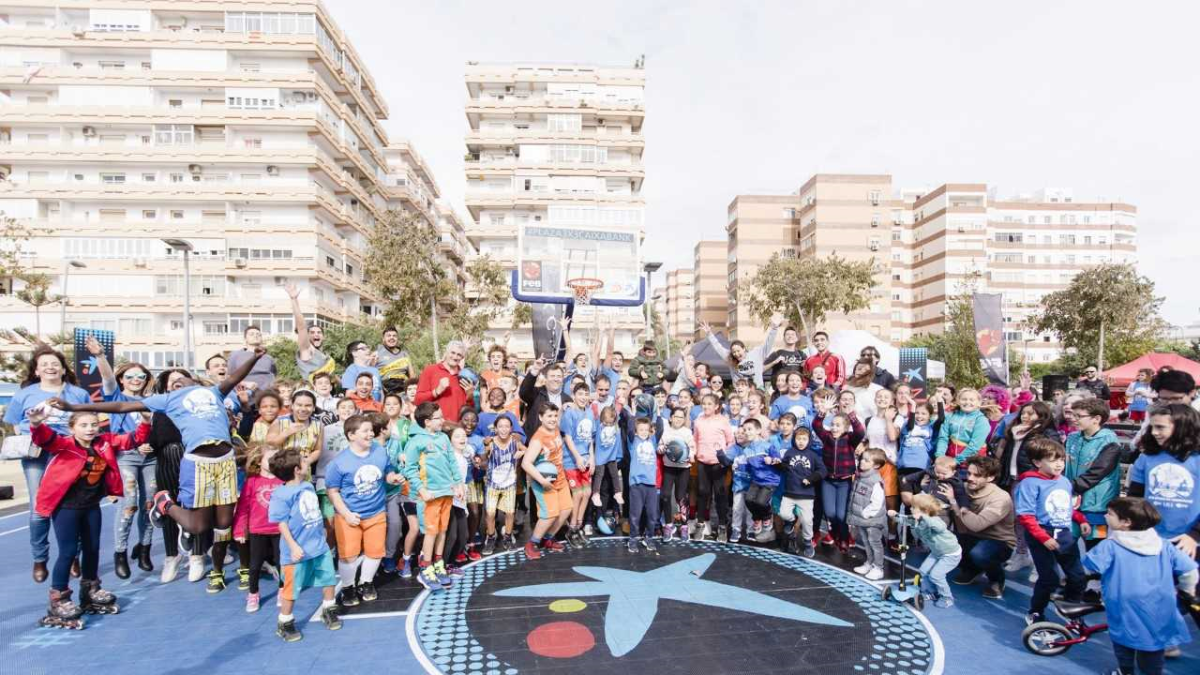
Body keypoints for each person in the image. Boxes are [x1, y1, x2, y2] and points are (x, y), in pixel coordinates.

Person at [51, 349, 268, 545]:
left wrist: (255, 357)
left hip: (225, 460)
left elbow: (235, 376)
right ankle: (165, 503)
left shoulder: (214, 391)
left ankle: (206, 541)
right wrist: (73, 407)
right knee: (198, 526)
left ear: (195, 381)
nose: (178, 381)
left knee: (224, 522)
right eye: (173, 382)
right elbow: (122, 405)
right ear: (170, 388)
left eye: (182, 378)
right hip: (199, 463)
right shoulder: (166, 400)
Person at [29, 405, 150, 628]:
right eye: (83, 425)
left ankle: (90, 589)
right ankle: (58, 598)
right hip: (66, 507)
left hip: (91, 505)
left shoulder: (104, 442)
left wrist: (145, 421)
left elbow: (133, 440)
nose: (89, 429)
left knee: (92, 548)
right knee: (68, 551)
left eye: (93, 425)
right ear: (72, 428)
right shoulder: (64, 444)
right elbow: (44, 439)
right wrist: (36, 423)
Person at [4, 347, 94, 582]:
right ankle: (40, 558)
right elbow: (14, 423)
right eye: (44, 364)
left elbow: (89, 420)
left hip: (68, 454)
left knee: (72, 506)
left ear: (63, 369)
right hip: (37, 455)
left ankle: (72, 555)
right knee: (39, 509)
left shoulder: (78, 394)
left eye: (55, 363)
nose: (50, 367)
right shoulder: (24, 394)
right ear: (36, 370)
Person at [1083, 497, 1197, 675]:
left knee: (1123, 643)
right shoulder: (1164, 545)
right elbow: (1189, 571)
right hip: (1159, 606)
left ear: (1126, 522)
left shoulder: (1110, 546)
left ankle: (1125, 671)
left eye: (1110, 514)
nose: (1105, 516)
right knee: (1153, 646)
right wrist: (1186, 590)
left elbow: (1090, 566)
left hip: (1123, 606)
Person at [84, 335, 157, 579]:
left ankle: (144, 549)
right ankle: (120, 552)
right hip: (126, 456)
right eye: (130, 376)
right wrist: (100, 356)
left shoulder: (153, 401)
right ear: (122, 379)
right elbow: (106, 378)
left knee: (149, 505)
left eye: (141, 376)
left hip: (151, 459)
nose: (136, 380)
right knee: (129, 504)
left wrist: (151, 444)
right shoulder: (116, 397)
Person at [326, 414, 402, 606]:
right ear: (351, 435)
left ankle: (366, 583)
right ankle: (348, 587)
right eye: (365, 431)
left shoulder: (379, 451)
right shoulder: (339, 463)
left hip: (376, 512)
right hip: (349, 515)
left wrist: (392, 477)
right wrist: (346, 514)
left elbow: (387, 470)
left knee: (375, 552)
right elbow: (333, 492)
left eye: (371, 430)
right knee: (348, 556)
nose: (371, 434)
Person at [267, 448, 342, 642]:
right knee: (291, 588)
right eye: (303, 460)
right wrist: (293, 546)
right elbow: (282, 524)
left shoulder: (308, 486)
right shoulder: (281, 495)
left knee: (328, 578)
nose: (307, 461)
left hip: (318, 546)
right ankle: (285, 621)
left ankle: (328, 609)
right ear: (296, 469)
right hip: (296, 552)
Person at [1015, 437, 1089, 624]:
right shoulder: (1029, 483)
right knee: (1049, 578)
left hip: (1063, 533)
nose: (1059, 464)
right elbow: (1025, 515)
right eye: (1053, 460)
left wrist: (1080, 519)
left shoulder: (1064, 481)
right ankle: (1036, 611)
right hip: (1042, 533)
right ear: (1037, 462)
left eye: (1061, 459)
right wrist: (1043, 537)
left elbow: (1066, 507)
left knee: (1077, 576)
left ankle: (1071, 608)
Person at [1065, 397, 1123, 599]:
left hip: (1098, 506)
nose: (1073, 419)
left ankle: (1095, 587)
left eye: (1079, 416)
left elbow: (1097, 473)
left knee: (1095, 545)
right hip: (1072, 503)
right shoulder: (1073, 438)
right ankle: (1075, 581)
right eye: (1073, 415)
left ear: (1096, 419)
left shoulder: (1110, 442)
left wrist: (1067, 487)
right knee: (1066, 543)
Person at [1128, 403, 1200, 560]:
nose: (1154, 432)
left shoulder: (1197, 459)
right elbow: (1135, 499)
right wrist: (1137, 530)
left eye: (1160, 427)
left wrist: (1194, 535)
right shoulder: (1146, 458)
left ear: (1182, 428)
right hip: (1151, 538)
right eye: (1152, 427)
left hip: (1190, 542)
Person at [403, 403, 461, 590]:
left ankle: (438, 563)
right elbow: (409, 470)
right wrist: (421, 490)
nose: (443, 420)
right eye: (439, 418)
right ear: (427, 422)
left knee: (442, 530)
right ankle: (425, 567)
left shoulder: (443, 437)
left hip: (446, 492)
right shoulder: (415, 442)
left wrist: (458, 483)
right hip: (429, 495)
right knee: (430, 532)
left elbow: (452, 461)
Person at [943, 456, 1016, 600]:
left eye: (977, 475)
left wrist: (954, 502)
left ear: (990, 478)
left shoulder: (1000, 498)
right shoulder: (962, 488)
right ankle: (972, 569)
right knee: (943, 541)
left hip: (999, 541)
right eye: (969, 473)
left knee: (980, 553)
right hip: (970, 536)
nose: (970, 478)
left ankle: (996, 579)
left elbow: (977, 525)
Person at [232, 444, 283, 613]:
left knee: (282, 562)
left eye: (276, 458)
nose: (274, 461)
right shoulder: (252, 482)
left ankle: (282, 589)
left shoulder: (282, 480)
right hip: (258, 530)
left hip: (279, 530)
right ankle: (253, 593)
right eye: (270, 458)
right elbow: (243, 508)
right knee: (254, 565)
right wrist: (240, 530)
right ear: (259, 461)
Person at [813, 394, 865, 552]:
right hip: (828, 481)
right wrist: (823, 411)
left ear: (846, 428)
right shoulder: (827, 437)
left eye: (838, 425)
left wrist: (851, 415)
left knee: (841, 515)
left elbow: (860, 431)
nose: (834, 428)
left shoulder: (850, 439)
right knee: (830, 512)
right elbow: (816, 425)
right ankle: (836, 534)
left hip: (844, 482)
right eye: (833, 425)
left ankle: (843, 538)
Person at [890, 494, 963, 608]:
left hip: (950, 554)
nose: (911, 509)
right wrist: (895, 515)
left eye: (914, 507)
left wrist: (924, 517)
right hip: (937, 552)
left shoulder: (934, 519)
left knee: (936, 575)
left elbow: (940, 527)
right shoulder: (917, 520)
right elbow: (904, 520)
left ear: (925, 510)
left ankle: (947, 597)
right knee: (923, 571)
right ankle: (933, 592)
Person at [522, 404, 572, 560]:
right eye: (549, 416)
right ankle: (531, 544)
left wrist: (563, 409)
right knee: (550, 515)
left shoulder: (555, 428)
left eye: (555, 416)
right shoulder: (538, 439)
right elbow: (526, 463)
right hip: (544, 482)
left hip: (560, 478)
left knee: (566, 509)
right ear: (540, 417)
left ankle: (547, 539)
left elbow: (559, 415)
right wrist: (542, 481)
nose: (553, 419)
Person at [776, 426, 825, 557]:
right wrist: (777, 463)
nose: (801, 442)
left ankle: (808, 542)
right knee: (784, 513)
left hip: (806, 495)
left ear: (809, 441)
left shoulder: (813, 455)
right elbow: (784, 466)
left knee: (807, 521)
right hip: (789, 492)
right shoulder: (789, 452)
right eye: (798, 439)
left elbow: (823, 471)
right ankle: (790, 522)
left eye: (804, 439)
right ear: (794, 439)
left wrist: (811, 479)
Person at [701, 313, 783, 389]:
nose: (736, 354)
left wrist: (774, 328)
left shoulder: (756, 354)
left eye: (738, 351)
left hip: (757, 390)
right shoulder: (730, 359)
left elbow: (768, 344)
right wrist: (709, 334)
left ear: (744, 349)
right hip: (740, 390)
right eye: (734, 352)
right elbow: (718, 346)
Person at [693, 394, 735, 542]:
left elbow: (731, 442)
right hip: (702, 462)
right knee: (702, 493)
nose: (706, 406)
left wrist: (726, 458)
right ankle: (700, 525)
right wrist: (695, 453)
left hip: (718, 464)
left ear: (716, 406)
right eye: (704, 404)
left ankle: (722, 527)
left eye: (709, 404)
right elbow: (695, 440)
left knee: (720, 495)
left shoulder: (723, 421)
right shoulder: (698, 421)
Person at [481, 415, 525, 555]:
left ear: (511, 428)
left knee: (510, 512)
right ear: (495, 428)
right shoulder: (491, 443)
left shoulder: (515, 441)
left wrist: (522, 452)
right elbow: (483, 458)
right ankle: (491, 537)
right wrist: (485, 450)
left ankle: (508, 537)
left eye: (507, 426)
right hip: (493, 484)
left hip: (509, 483)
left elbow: (528, 449)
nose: (504, 429)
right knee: (490, 513)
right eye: (500, 426)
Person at [848, 448, 888, 581]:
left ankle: (878, 568)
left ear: (876, 465)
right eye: (862, 459)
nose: (862, 462)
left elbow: (877, 502)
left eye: (866, 460)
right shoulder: (861, 476)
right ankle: (870, 562)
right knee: (866, 541)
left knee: (875, 543)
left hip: (872, 520)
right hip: (862, 519)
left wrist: (865, 514)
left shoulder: (875, 481)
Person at [285, 283, 335, 384]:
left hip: (326, 390)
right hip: (311, 390)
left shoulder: (324, 355)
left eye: (319, 332)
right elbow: (301, 327)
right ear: (307, 336)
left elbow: (332, 376)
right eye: (312, 332)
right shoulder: (306, 350)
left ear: (323, 337)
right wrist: (294, 299)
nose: (316, 334)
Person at [658, 406, 695, 540]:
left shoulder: (687, 432)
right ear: (671, 418)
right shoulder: (665, 431)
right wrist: (663, 448)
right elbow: (659, 447)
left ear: (684, 419)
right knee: (665, 495)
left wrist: (690, 455)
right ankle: (668, 525)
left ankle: (684, 526)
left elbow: (692, 448)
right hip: (669, 467)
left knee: (680, 497)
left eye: (681, 417)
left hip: (683, 468)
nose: (678, 419)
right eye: (676, 416)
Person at [414, 340, 471, 425]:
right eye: (452, 352)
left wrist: (470, 396)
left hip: (455, 428)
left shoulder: (465, 377)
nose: (455, 357)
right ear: (446, 352)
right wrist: (436, 391)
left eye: (459, 355)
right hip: (434, 427)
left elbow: (469, 410)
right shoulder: (430, 370)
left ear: (462, 358)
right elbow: (418, 401)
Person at [626, 417, 661, 553]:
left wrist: (658, 414)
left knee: (652, 514)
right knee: (635, 514)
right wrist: (633, 413)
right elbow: (630, 428)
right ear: (636, 431)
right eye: (641, 429)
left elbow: (660, 429)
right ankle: (633, 539)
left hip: (651, 484)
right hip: (637, 484)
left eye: (646, 429)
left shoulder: (652, 441)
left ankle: (649, 538)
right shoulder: (633, 441)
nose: (644, 432)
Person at [517, 357, 571, 441]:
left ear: (563, 379)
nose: (556, 379)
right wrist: (535, 369)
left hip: (557, 444)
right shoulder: (537, 393)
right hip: (534, 442)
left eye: (559, 376)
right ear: (546, 378)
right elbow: (524, 392)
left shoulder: (568, 399)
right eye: (552, 376)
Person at [936, 388, 990, 466]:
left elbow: (974, 446)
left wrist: (956, 461)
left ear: (978, 402)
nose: (967, 402)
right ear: (958, 401)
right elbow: (943, 437)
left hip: (972, 463)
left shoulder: (981, 420)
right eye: (964, 399)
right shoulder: (951, 415)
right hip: (949, 461)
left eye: (972, 400)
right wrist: (940, 456)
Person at [227, 326, 276, 390]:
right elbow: (229, 377)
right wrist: (244, 384)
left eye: (258, 334)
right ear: (245, 339)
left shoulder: (269, 358)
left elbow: (273, 374)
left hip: (266, 393)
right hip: (245, 392)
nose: (255, 336)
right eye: (251, 334)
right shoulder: (235, 355)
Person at [376, 326, 413, 392]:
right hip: (386, 388)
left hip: (403, 386)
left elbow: (412, 375)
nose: (392, 338)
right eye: (389, 336)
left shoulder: (404, 354)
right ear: (383, 339)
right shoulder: (377, 353)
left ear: (397, 338)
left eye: (394, 336)